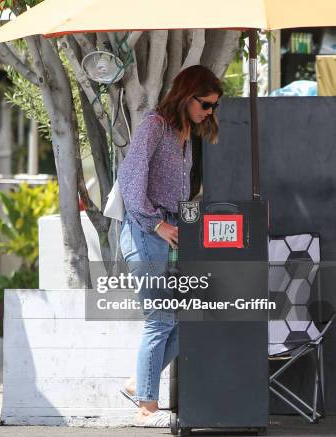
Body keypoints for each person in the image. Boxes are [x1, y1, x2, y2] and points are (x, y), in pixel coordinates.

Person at [117, 65, 222, 427]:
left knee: (181, 319)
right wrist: (156, 222)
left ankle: (137, 384)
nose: (209, 112)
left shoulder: (184, 132)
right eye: (206, 104)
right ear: (186, 94)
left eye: (213, 107)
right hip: (147, 234)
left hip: (170, 234)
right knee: (160, 320)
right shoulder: (154, 126)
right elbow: (130, 181)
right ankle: (146, 408)